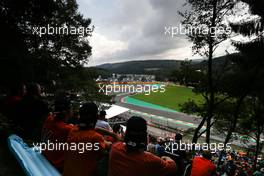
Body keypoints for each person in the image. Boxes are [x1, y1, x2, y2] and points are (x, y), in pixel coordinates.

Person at [108, 116, 177, 176]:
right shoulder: (150, 160)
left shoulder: (115, 148)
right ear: (144, 137)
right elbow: (173, 167)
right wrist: (166, 158)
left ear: (126, 134)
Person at [63, 102, 111, 176]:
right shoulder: (95, 137)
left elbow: (91, 131)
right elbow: (107, 146)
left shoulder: (73, 130)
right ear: (96, 117)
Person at [41, 97, 75, 172]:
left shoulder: (49, 119)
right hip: (56, 165)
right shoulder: (68, 129)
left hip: (45, 155)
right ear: (67, 111)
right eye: (72, 108)